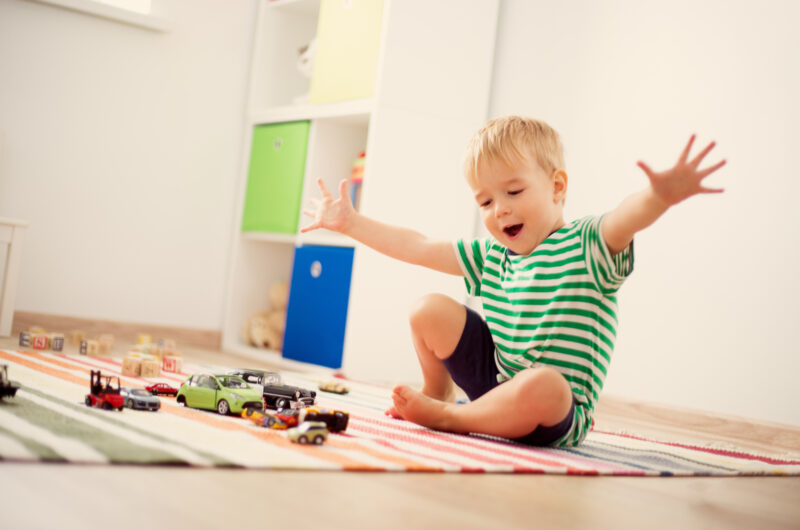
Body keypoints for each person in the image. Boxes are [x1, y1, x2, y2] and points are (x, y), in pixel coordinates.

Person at [301, 116, 725, 447]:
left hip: (550, 411)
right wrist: (351, 224)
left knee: (544, 384)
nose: (499, 209)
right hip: (494, 382)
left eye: (514, 192)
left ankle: (452, 419)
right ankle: (439, 394)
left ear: (557, 186)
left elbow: (624, 218)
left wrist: (659, 198)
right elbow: (418, 245)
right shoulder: (492, 257)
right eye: (485, 200)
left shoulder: (587, 244)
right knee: (426, 309)